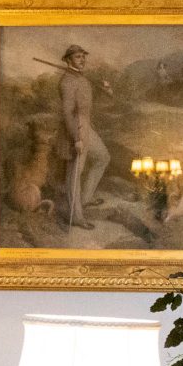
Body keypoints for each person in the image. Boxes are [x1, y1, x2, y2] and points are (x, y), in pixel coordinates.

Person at [55, 46, 108, 229]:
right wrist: (76, 138)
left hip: (86, 125)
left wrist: (104, 89)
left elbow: (87, 100)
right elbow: (67, 113)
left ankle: (84, 200)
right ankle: (76, 216)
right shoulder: (67, 82)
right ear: (68, 60)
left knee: (102, 157)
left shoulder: (81, 77)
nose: (82, 60)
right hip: (75, 127)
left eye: (83, 56)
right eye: (78, 57)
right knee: (75, 172)